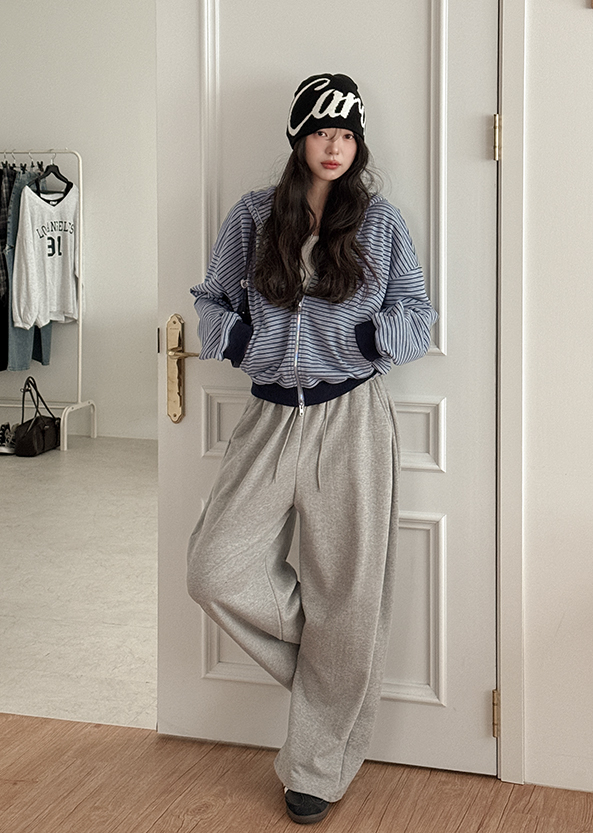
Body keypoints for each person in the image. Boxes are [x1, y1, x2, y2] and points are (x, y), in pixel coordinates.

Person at [187, 73, 437, 825]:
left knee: (348, 598)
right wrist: (241, 343)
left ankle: (316, 770)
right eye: (323, 131)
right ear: (299, 137)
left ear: (358, 145)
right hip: (268, 418)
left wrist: (363, 342)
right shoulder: (253, 214)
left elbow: (417, 314)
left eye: (347, 134)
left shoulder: (380, 222)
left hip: (352, 418)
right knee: (214, 570)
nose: (335, 146)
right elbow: (211, 301)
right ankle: (336, 660)